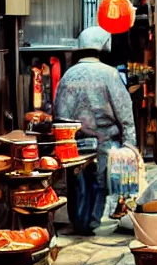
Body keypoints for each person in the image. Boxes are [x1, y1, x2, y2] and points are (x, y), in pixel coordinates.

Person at [54, 26, 136, 235]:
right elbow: (124, 110)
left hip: (73, 142)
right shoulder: (110, 74)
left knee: (76, 183)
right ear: (102, 46)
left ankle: (79, 223)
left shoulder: (68, 76)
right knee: (100, 184)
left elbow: (58, 111)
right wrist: (130, 143)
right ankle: (92, 222)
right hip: (105, 140)